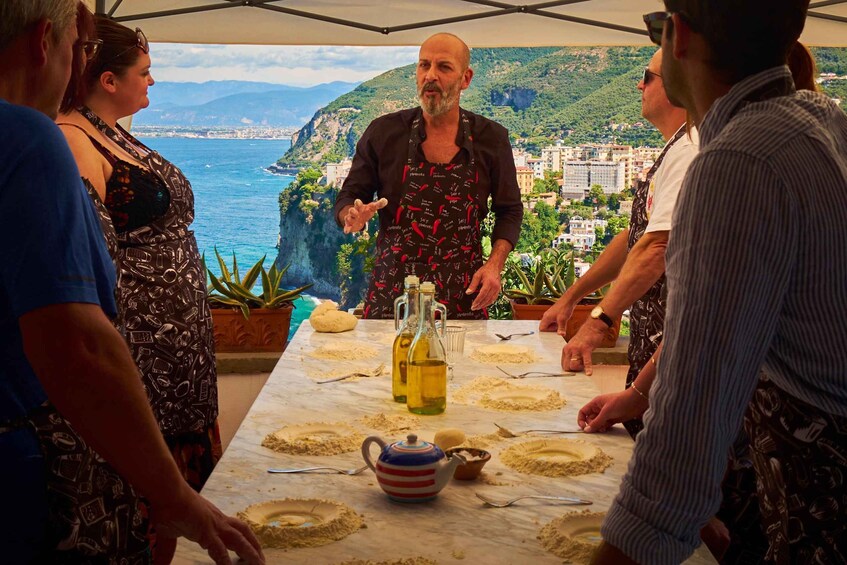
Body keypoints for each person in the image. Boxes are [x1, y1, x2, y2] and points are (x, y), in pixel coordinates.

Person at [0, 1, 263, 563]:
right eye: (79, 49)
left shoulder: (79, 135)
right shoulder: (32, 139)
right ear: (46, 42)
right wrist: (171, 493)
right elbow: (78, 337)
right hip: (47, 424)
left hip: (165, 376)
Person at [595, 1, 847, 563]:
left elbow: (691, 415)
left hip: (825, 486)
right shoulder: (818, 116)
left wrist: (642, 534)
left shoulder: (739, 159)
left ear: (678, 36)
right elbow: (718, 323)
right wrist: (638, 395)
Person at [58, 16, 221, 493]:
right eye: (144, 71)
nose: (152, 80)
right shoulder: (75, 139)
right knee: (152, 497)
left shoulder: (109, 131)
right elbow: (90, 254)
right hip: (144, 353)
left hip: (176, 357)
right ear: (108, 80)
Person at [540, 48, 698, 438]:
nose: (638, 84)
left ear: (679, 84)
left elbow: (657, 248)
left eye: (648, 75)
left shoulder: (689, 150)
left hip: (676, 364)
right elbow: (636, 237)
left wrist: (600, 320)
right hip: (656, 363)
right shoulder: (676, 147)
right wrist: (573, 296)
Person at [334, 32, 523, 320]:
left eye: (443, 67)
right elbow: (349, 197)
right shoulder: (383, 133)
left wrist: (494, 265)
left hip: (463, 299)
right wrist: (351, 214)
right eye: (424, 66)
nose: (430, 76)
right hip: (392, 297)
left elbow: (509, 210)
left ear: (466, 78)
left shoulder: (491, 138)